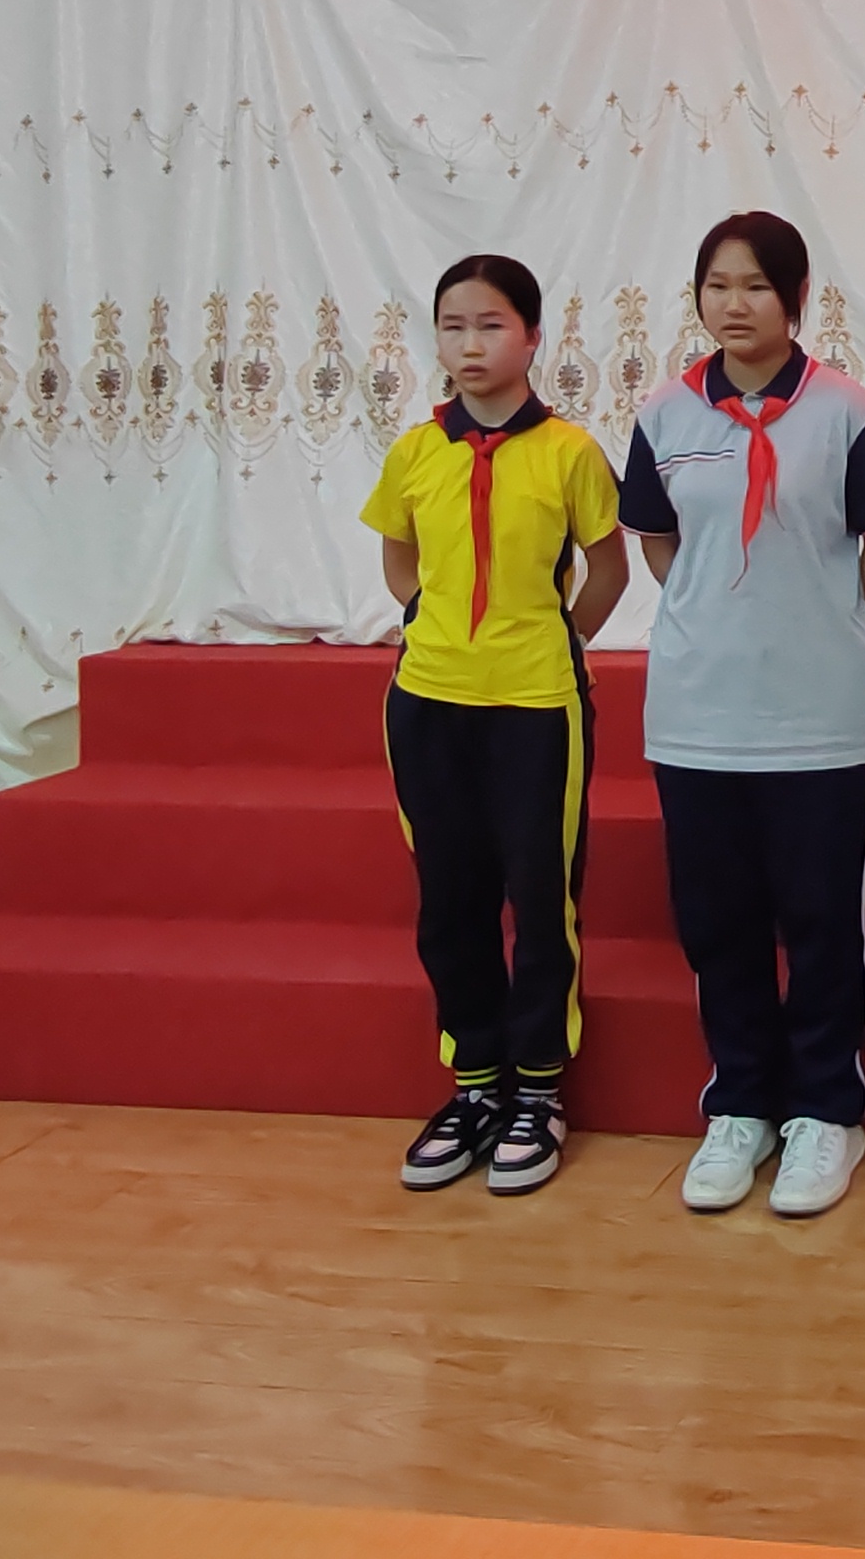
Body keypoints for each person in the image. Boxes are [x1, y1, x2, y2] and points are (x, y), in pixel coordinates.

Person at [621, 211, 865, 1220]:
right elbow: (661, 545)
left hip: (817, 716)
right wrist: (722, 622)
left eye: (755, 286)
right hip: (698, 710)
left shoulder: (849, 414)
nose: (734, 305)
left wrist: (824, 629)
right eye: (717, 285)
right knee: (719, 921)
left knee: (821, 920)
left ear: (796, 298)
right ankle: (740, 1102)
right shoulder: (664, 415)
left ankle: (827, 1110)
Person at [362, 255, 633, 1198]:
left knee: (540, 893)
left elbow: (608, 567)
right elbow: (400, 554)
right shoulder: (415, 451)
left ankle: (539, 1089)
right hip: (428, 699)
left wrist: (558, 640)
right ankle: (474, 1082)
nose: (470, 345)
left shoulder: (569, 452)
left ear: (531, 337)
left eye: (490, 325)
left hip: (535, 705)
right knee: (450, 895)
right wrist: (426, 620)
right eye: (453, 326)